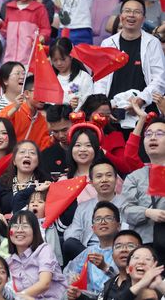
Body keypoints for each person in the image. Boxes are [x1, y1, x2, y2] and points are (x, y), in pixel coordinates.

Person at [93, 0, 165, 107]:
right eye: (127, 11)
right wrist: (104, 106)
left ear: (144, 18)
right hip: (113, 108)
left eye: (137, 12)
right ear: (121, 16)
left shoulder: (153, 43)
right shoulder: (108, 43)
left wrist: (142, 99)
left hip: (144, 109)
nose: (131, 15)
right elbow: (101, 80)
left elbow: (159, 78)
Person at [63, 158, 126, 263]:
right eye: (99, 176)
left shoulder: (127, 204)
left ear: (116, 179)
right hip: (89, 252)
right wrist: (90, 253)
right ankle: (94, 263)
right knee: (69, 244)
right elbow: (72, 233)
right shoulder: (83, 207)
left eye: (109, 175)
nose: (104, 180)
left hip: (118, 250)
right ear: (91, 182)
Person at [122, 117, 165, 250]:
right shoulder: (134, 177)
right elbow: (125, 211)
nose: (152, 138)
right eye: (148, 134)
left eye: (159, 134)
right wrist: (147, 212)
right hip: (144, 247)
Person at [64, 202, 121, 298]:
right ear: (93, 228)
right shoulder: (90, 251)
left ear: (118, 226)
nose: (103, 222)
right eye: (98, 219)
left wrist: (106, 268)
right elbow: (68, 272)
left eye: (108, 218)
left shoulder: (124, 250)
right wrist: (73, 278)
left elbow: (127, 282)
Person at [6, 210, 67, 298]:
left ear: (35, 231)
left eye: (25, 226)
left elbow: (44, 283)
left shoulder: (44, 250)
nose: (19, 230)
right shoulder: (9, 261)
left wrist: (18, 297)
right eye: (15, 226)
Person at [0, 140, 51, 214]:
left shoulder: (44, 182)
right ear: (14, 161)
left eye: (32, 153)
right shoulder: (3, 182)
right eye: (22, 152)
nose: (27, 155)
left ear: (38, 161)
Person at [0, 0, 51, 66]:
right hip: (9, 59)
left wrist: (42, 37)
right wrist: (0, 26)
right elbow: (6, 32)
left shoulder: (39, 8)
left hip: (30, 58)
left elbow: (46, 29)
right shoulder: (9, 7)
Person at [0, 76, 50, 150]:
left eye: (45, 92)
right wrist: (14, 109)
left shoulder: (42, 120)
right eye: (39, 92)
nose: (43, 96)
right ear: (27, 93)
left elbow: (44, 145)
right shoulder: (15, 109)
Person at [94, 230, 142, 300]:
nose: (124, 250)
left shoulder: (151, 282)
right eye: (118, 246)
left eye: (130, 246)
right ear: (113, 256)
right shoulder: (109, 285)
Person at [49, 38, 93, 109]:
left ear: (71, 56)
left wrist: (78, 104)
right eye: (55, 60)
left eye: (63, 59)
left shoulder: (83, 77)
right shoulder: (49, 78)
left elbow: (90, 103)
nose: (59, 63)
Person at [41, 104, 72, 178]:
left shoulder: (89, 150)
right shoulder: (46, 155)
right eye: (55, 131)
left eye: (64, 130)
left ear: (74, 123)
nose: (60, 135)